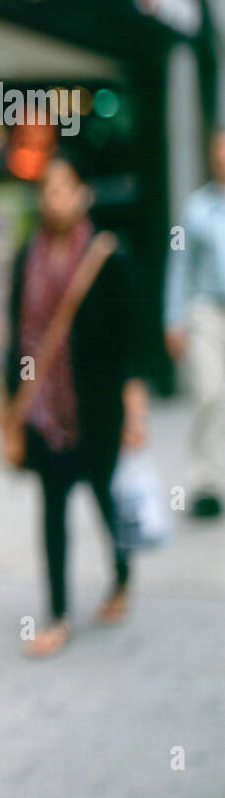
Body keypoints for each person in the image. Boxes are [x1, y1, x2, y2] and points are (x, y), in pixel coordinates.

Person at [1, 150, 148, 657]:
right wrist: (9, 406)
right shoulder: (28, 255)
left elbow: (131, 339)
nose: (54, 198)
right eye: (48, 188)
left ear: (84, 194)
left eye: (64, 187)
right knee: (53, 509)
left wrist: (134, 405)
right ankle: (58, 614)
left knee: (104, 497)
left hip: (96, 404)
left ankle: (123, 574)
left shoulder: (108, 253)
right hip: (44, 409)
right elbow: (17, 334)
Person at [164, 126, 225, 518]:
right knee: (209, 392)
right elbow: (179, 265)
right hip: (206, 311)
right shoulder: (195, 208)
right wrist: (173, 318)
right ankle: (205, 480)